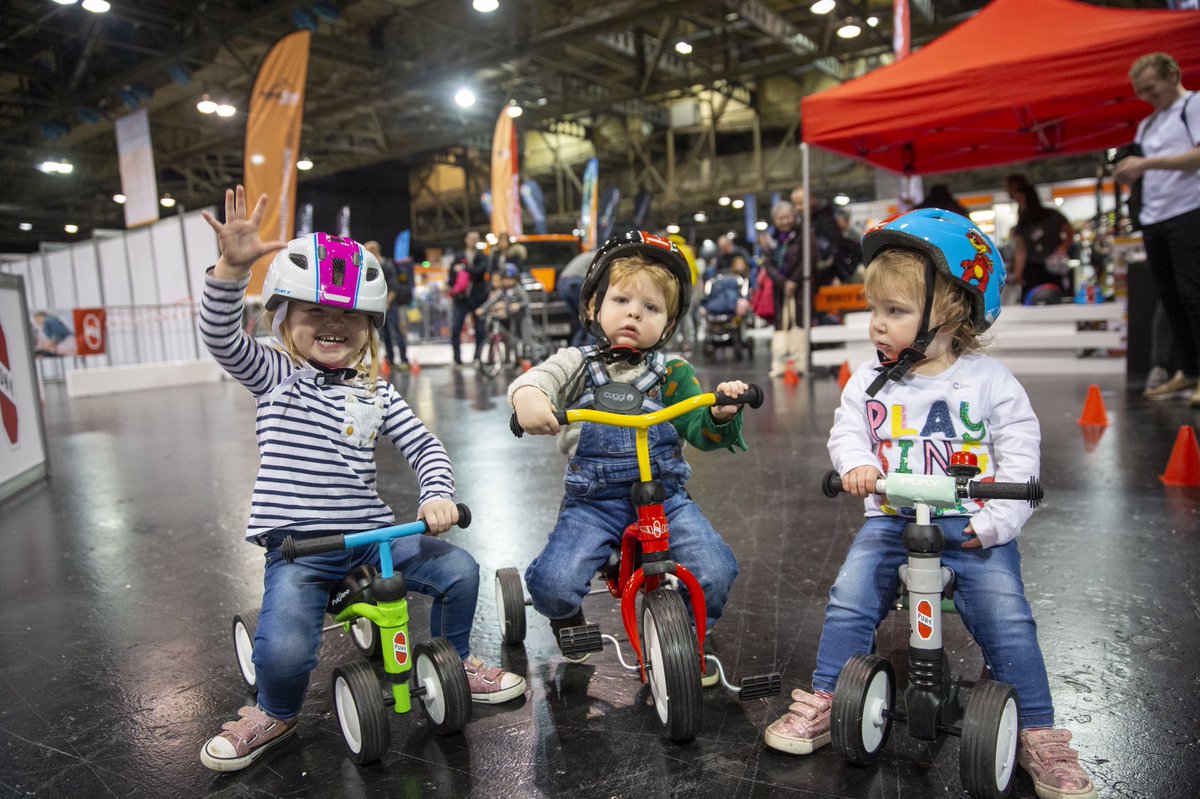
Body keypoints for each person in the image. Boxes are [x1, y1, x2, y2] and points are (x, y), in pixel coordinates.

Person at [763, 209, 1097, 799]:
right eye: (875, 310)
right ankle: (824, 696)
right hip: (892, 521)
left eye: (894, 311)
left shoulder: (988, 381)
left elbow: (1020, 449)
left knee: (1006, 615)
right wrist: (857, 465)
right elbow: (848, 432)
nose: (876, 326)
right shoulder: (869, 379)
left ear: (953, 310)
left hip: (971, 524)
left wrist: (1000, 519)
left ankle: (1039, 731)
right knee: (849, 597)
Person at [196, 187, 524, 772]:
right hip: (301, 547)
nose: (333, 324)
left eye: (349, 315)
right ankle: (274, 712)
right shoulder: (274, 373)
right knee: (290, 647)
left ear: (369, 328)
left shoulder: (375, 389)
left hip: (374, 540)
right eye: (315, 312)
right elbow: (222, 337)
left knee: (458, 569)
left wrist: (437, 493)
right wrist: (230, 271)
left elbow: (423, 444)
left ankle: (456, 660)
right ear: (282, 318)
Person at [508, 230, 748, 681]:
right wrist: (528, 397)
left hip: (665, 499)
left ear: (669, 324)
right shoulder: (578, 363)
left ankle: (686, 640)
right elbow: (539, 378)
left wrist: (718, 412)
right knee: (553, 585)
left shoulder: (672, 372)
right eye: (621, 300)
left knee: (716, 569)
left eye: (651, 308)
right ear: (594, 307)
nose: (634, 312)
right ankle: (566, 619)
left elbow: (699, 429)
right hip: (594, 503)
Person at [1115, 52, 1200, 405]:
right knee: (1170, 297)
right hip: (1155, 218)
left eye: (1151, 88)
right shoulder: (1146, 126)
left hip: (1189, 211)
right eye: (1141, 91)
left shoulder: (1193, 105)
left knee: (1193, 293)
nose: (1148, 96)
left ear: (1172, 75)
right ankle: (1190, 371)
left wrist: (1147, 163)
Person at [760, 200, 816, 376]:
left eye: (787, 217)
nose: (784, 221)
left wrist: (793, 281)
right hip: (779, 289)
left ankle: (801, 364)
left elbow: (810, 258)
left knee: (800, 323)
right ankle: (781, 365)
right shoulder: (772, 238)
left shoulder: (805, 233)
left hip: (801, 288)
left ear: (794, 216)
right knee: (781, 325)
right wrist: (782, 282)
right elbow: (767, 262)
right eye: (780, 218)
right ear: (775, 220)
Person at [1006, 174, 1075, 299]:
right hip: (1033, 269)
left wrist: (1063, 247)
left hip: (1051, 267)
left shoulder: (1051, 215)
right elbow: (1021, 250)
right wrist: (1018, 274)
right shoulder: (1023, 224)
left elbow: (1069, 231)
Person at [362, 241, 408, 369]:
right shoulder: (370, 267)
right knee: (385, 334)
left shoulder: (387, 265)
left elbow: (394, 286)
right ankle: (391, 360)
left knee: (396, 332)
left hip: (389, 305)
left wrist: (387, 302)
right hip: (379, 306)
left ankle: (404, 359)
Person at [449, 231, 490, 366]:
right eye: (471, 238)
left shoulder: (482, 256)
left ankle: (477, 357)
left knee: (480, 329)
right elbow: (451, 275)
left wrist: (464, 269)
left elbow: (481, 271)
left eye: (476, 239)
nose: (473, 241)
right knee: (455, 328)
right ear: (466, 239)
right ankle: (457, 359)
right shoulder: (459, 256)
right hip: (461, 299)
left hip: (478, 298)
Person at [480, 262, 534, 359]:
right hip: (513, 318)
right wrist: (483, 308)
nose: (506, 281)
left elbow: (526, 301)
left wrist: (518, 305)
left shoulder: (519, 289)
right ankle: (518, 360)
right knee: (513, 340)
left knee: (527, 339)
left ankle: (534, 359)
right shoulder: (503, 292)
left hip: (523, 317)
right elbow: (492, 301)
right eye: (504, 279)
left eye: (509, 279)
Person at [557, 248, 594, 348]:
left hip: (561, 283)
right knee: (591, 320)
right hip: (575, 283)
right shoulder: (598, 256)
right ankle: (590, 350)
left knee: (582, 323)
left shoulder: (584, 256)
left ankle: (576, 351)